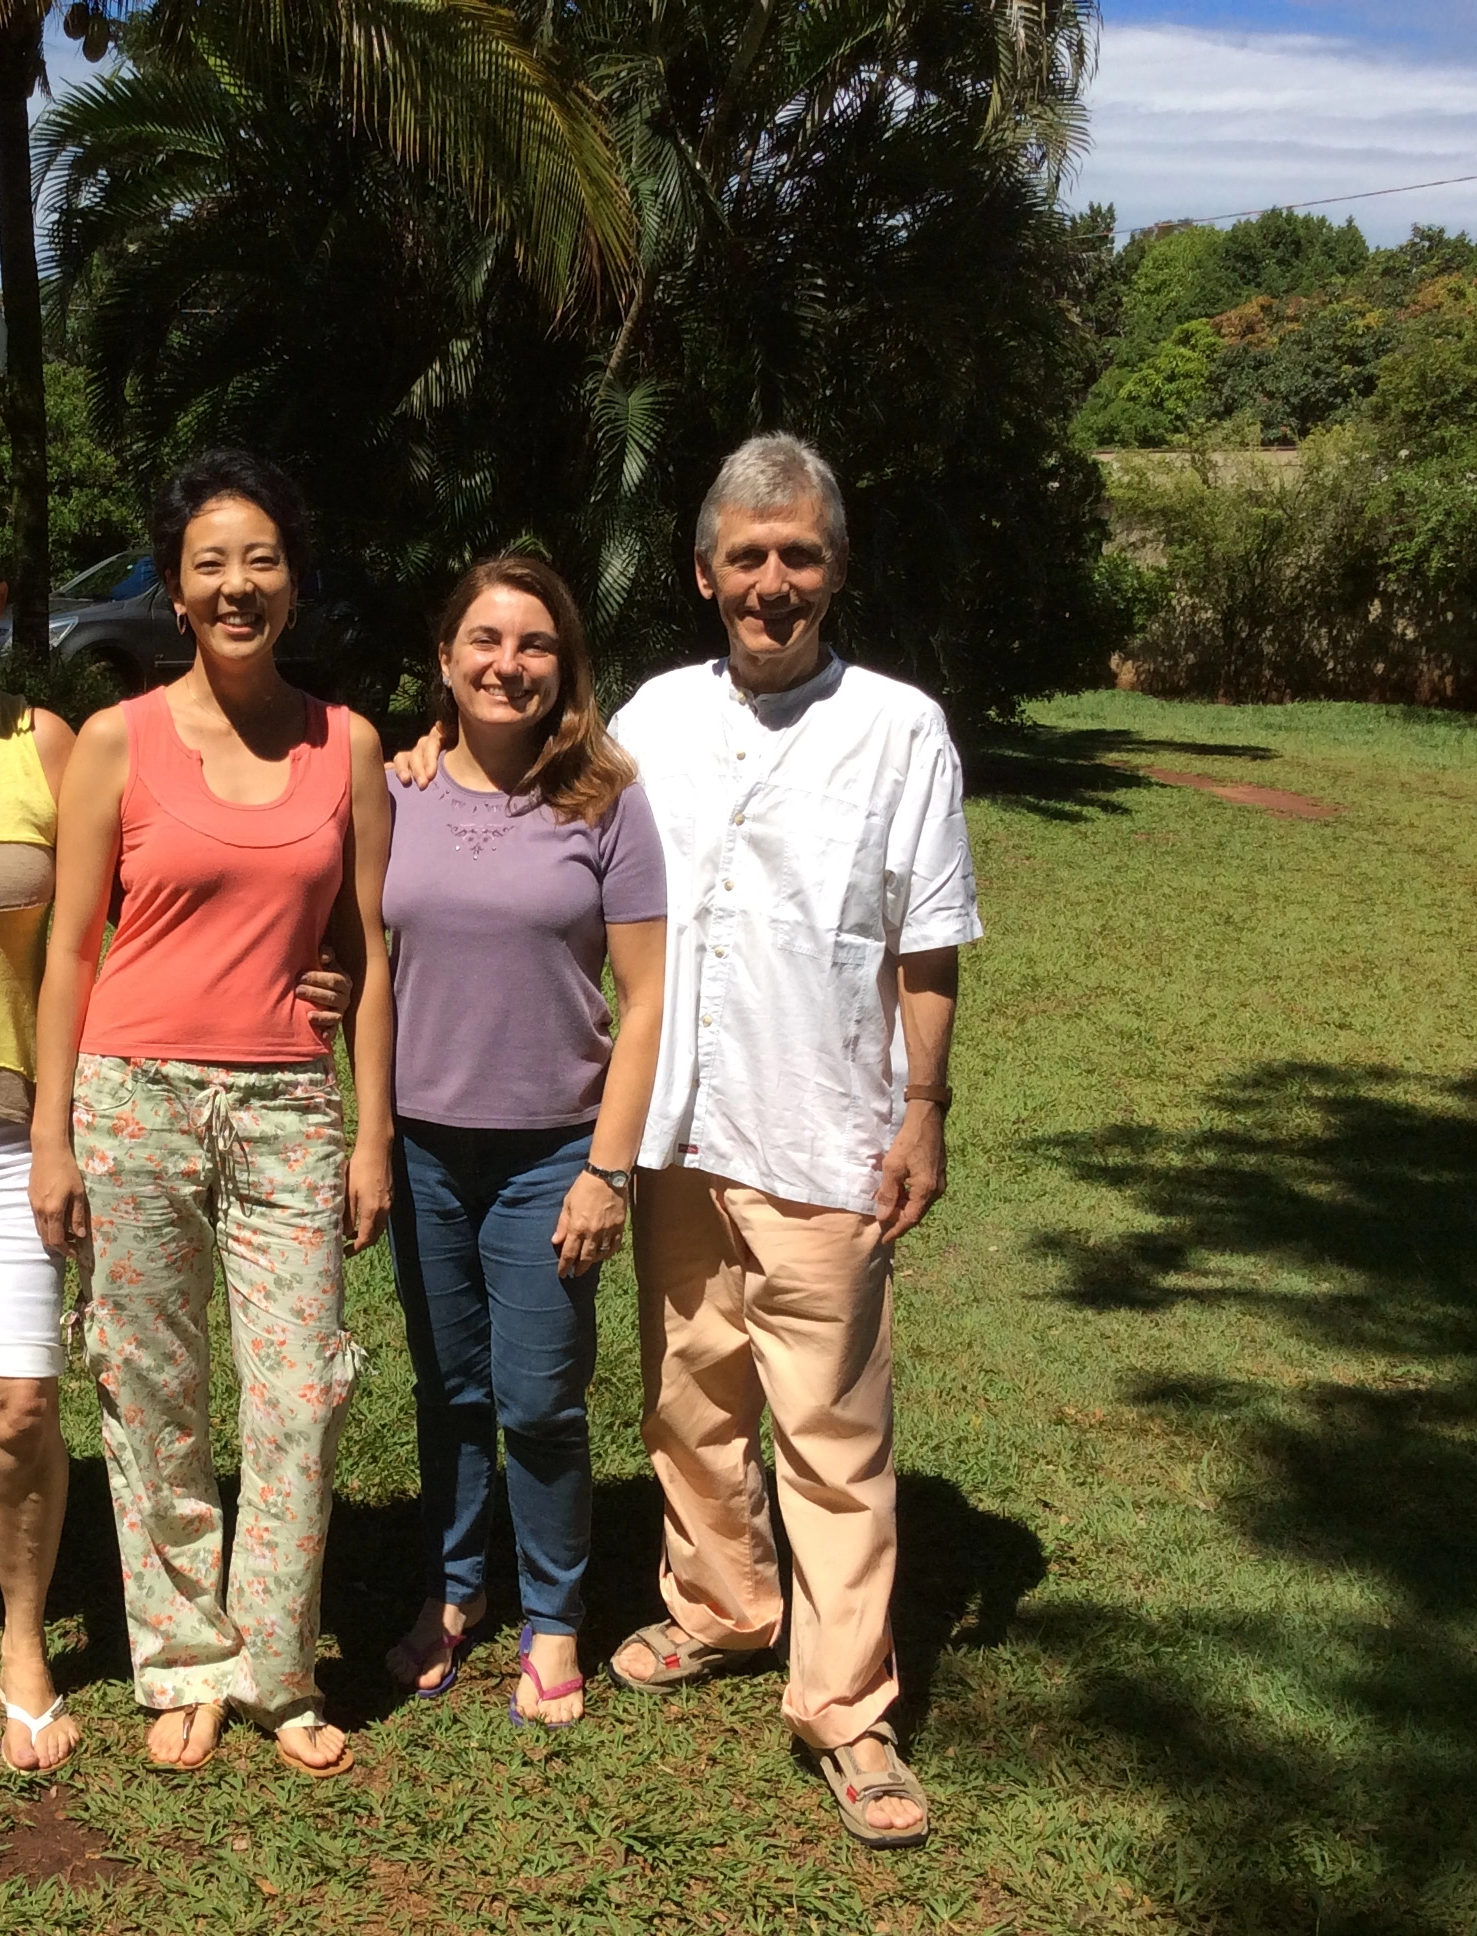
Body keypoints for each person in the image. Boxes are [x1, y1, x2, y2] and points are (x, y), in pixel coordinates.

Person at [398, 432, 978, 1846]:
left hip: (825, 1138)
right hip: (671, 1141)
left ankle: (846, 1709)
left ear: (836, 569)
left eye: (800, 556)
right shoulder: (653, 718)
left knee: (832, 1437)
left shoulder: (900, 728)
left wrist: (924, 1106)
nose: (773, 583)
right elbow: (516, 783)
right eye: (747, 556)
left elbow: (929, 942)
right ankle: (722, 1604)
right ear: (704, 571)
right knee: (689, 1405)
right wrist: (421, 750)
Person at [0, 490, 352, 1774]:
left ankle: (28, 1635)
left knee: (18, 1397)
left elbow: (153, 904)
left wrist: (327, 971)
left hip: (3, 1119)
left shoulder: (49, 743)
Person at [29, 450, 395, 1779]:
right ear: (175, 590)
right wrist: (53, 1135)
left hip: (290, 1105)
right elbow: (71, 947)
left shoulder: (347, 745)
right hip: (133, 1098)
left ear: (293, 581)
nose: (239, 586)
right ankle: (183, 1654)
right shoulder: (117, 740)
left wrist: (372, 1131)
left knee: (301, 1392)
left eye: (263, 561)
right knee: (152, 1385)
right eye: (210, 564)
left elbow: (367, 951)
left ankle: (277, 1664)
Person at [378, 556, 667, 1730]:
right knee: (448, 1389)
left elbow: (647, 999)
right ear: (445, 659)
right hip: (421, 1149)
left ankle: (553, 1614)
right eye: (486, 641)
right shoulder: (392, 791)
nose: (510, 663)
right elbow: (350, 949)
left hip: (553, 1152)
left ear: (567, 665)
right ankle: (454, 1591)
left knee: (540, 1399)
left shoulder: (607, 800)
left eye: (536, 643)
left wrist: (608, 1169)